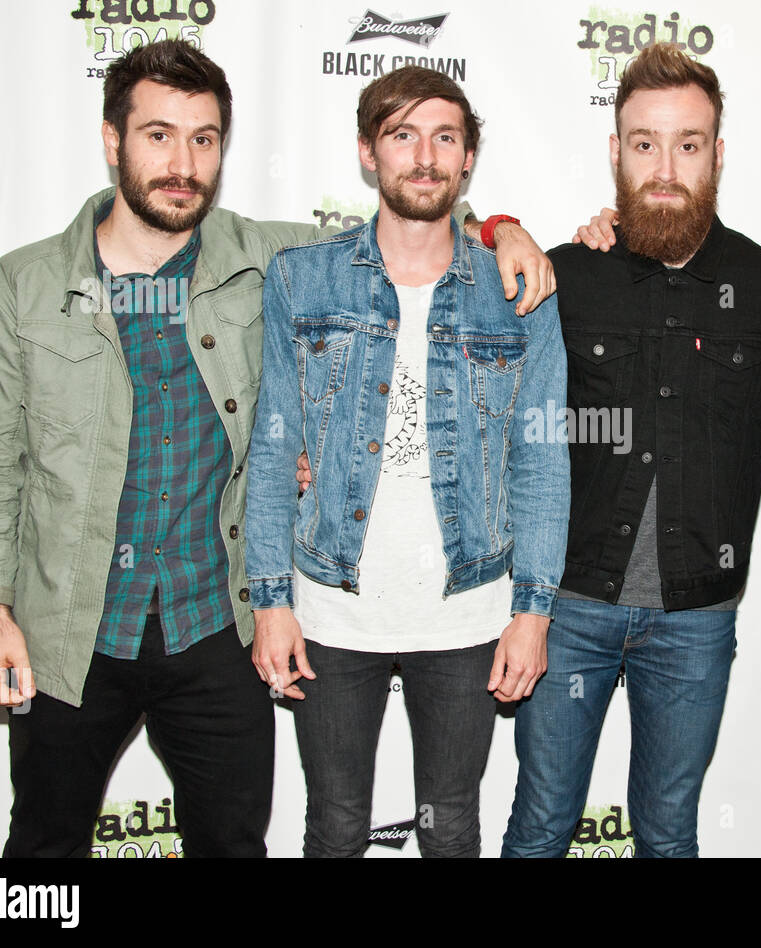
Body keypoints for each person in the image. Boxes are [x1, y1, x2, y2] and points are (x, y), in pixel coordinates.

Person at [0, 39, 553, 858]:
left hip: (211, 629)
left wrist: (500, 227)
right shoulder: (23, 287)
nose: (182, 162)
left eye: (204, 138)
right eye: (158, 135)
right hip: (67, 628)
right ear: (113, 140)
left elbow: (410, 216)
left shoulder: (269, 257)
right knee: (42, 849)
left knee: (231, 844)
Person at [244, 66, 569, 858]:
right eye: (402, 135)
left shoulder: (520, 290)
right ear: (368, 151)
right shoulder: (303, 278)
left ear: (466, 162)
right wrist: (270, 601)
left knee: (452, 826)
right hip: (329, 604)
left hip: (468, 609)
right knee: (335, 827)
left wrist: (533, 612)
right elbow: (273, 444)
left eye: (444, 137)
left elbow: (541, 460)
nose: (424, 156)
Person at [499, 43, 761, 858]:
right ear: (616, 152)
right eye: (644, 143)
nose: (666, 165)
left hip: (696, 620)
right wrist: (497, 225)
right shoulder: (567, 274)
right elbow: (446, 267)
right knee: (541, 825)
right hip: (566, 608)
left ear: (717, 153)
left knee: (669, 834)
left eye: (688, 143)